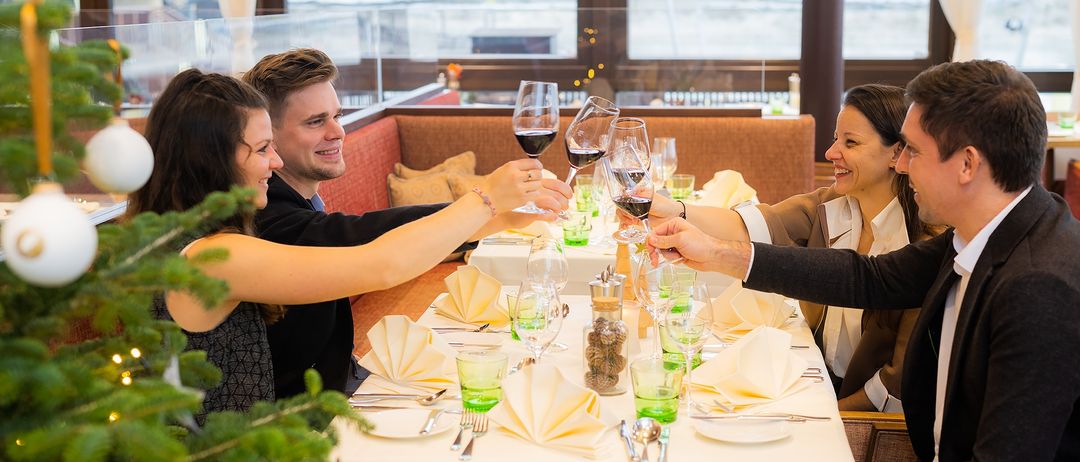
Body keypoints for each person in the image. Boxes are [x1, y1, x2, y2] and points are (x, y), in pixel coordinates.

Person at [648, 60, 1080, 461]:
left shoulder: (1038, 287)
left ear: (967, 163)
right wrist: (719, 254)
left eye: (913, 151)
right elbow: (868, 277)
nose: (903, 166)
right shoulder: (987, 232)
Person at [127, 69, 569, 416]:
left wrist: (496, 217)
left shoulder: (187, 236)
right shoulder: (212, 258)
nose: (275, 160)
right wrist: (485, 200)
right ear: (213, 160)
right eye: (263, 149)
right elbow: (380, 266)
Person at [239, 49, 572, 399]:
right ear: (268, 136)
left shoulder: (292, 201)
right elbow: (371, 246)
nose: (337, 132)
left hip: (343, 385)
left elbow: (371, 232)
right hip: (301, 423)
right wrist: (486, 201)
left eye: (337, 116)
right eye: (315, 122)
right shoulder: (268, 216)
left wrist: (500, 216)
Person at [645, 84, 937, 412]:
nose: (831, 153)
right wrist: (673, 210)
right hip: (812, 380)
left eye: (850, 142)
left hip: (858, 416)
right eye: (835, 138)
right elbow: (750, 225)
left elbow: (892, 389)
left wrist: (821, 416)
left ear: (897, 154)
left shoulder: (922, 249)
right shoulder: (832, 205)